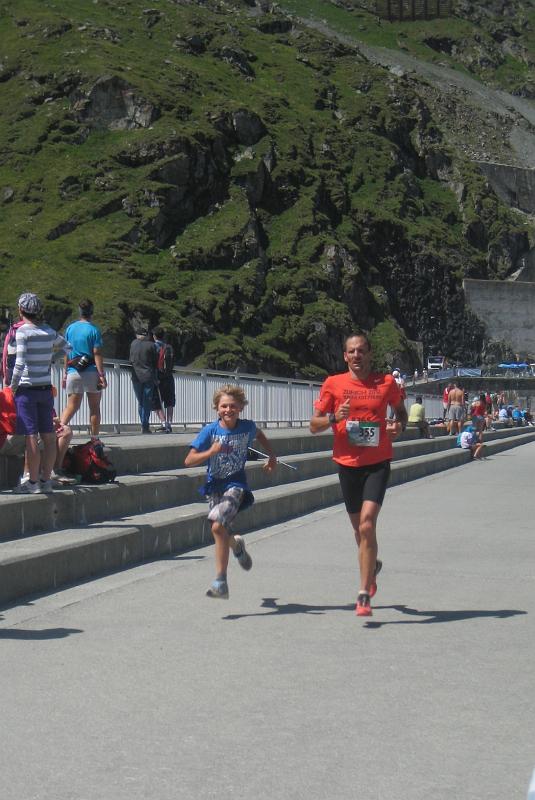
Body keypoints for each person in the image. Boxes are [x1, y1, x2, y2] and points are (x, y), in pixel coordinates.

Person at [310, 332, 407, 618]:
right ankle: (372, 565)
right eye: (351, 351)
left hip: (377, 462)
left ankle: (364, 593)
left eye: (361, 350)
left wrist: (398, 427)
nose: (356, 355)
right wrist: (333, 418)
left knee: (366, 525)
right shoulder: (333, 384)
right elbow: (313, 426)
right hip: (347, 464)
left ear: (369, 353)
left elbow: (401, 413)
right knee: (359, 531)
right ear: (345, 356)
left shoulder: (386, 382)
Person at [184, 384, 277, 599]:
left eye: (233, 406)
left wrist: (272, 456)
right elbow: (188, 461)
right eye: (224, 406)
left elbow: (260, 435)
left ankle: (221, 582)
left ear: (241, 407)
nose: (228, 410)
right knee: (222, 531)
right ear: (217, 408)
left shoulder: (247, 427)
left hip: (236, 485)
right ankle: (237, 547)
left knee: (217, 526)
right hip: (214, 486)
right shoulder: (210, 430)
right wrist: (211, 451)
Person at [9, 292, 69, 494]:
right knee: (50, 436)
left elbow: (19, 363)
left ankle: (32, 483)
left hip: (27, 390)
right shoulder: (48, 331)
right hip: (45, 389)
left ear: (21, 310)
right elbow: (68, 348)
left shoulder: (23, 332)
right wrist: (51, 360)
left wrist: (12, 386)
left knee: (31, 436)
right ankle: (45, 480)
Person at [60, 299, 107, 439]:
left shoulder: (70, 329)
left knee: (71, 407)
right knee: (94, 407)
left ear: (79, 311)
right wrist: (102, 375)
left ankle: (58, 434)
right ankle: (94, 439)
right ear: (92, 312)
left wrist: (65, 373)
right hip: (91, 371)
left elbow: (66, 352)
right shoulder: (94, 330)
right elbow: (97, 353)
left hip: (73, 371)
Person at [129, 328, 158, 433]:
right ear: (146, 335)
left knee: (140, 401)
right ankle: (145, 425)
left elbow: (131, 360)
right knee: (146, 401)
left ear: (137, 335)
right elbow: (155, 362)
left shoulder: (133, 343)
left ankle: (143, 423)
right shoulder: (151, 345)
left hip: (136, 376)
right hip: (148, 376)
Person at [152, 327, 175, 434]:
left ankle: (163, 422)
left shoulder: (153, 347)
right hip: (169, 377)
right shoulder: (169, 347)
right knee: (169, 400)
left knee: (157, 401)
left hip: (158, 377)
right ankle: (169, 423)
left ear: (154, 336)